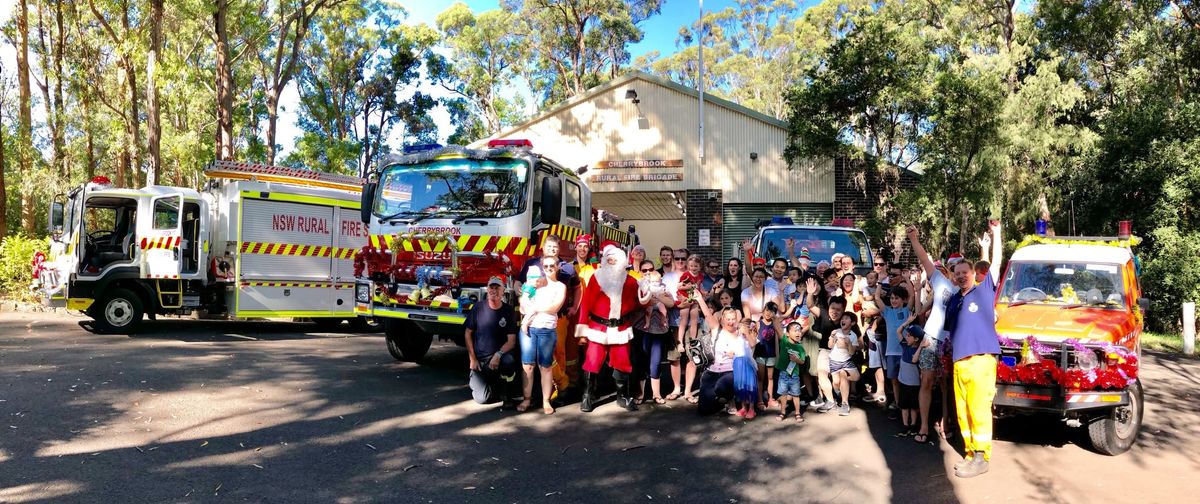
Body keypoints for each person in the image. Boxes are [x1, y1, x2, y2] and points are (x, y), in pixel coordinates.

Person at [944, 220, 1003, 478]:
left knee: (978, 408)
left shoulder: (983, 292)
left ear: (974, 274)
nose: (961, 275)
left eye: (965, 272)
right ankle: (970, 453)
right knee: (963, 410)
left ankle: (981, 456)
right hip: (960, 363)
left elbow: (996, 263)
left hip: (981, 360)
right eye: (957, 273)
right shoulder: (954, 300)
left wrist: (996, 234)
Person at [906, 225, 961, 444]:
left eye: (961, 268)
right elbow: (925, 259)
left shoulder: (969, 292)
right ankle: (924, 425)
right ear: (949, 270)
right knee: (927, 381)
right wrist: (913, 239)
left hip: (952, 343)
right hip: (930, 339)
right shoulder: (941, 283)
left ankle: (946, 421)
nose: (957, 272)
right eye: (953, 268)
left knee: (948, 385)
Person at [576, 242, 646, 412]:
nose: (612, 262)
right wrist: (582, 331)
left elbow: (639, 302)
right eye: (609, 259)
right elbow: (585, 303)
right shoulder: (596, 277)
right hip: (597, 328)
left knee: (622, 362)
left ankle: (622, 396)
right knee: (592, 361)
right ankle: (587, 396)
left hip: (620, 328)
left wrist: (647, 296)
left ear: (622, 261)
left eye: (615, 260)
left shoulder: (630, 281)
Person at [519, 256, 567, 414]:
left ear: (558, 266)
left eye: (552, 265)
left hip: (547, 330)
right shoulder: (533, 282)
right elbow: (522, 308)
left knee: (545, 367)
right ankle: (527, 399)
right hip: (529, 330)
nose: (548, 268)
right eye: (545, 266)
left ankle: (546, 402)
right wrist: (531, 308)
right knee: (527, 365)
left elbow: (554, 307)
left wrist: (534, 309)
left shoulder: (560, 286)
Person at [464, 276, 521, 407]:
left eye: (497, 288)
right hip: (481, 359)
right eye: (491, 287)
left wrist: (498, 354)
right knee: (482, 399)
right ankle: (491, 386)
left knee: (509, 361)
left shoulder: (508, 311)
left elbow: (511, 341)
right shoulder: (478, 308)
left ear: (503, 291)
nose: (493, 290)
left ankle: (507, 395)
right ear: (487, 289)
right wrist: (472, 359)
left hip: (500, 357)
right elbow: (468, 333)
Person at [695, 300, 744, 415]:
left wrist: (737, 354)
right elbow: (707, 314)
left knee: (722, 385)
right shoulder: (717, 329)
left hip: (730, 371)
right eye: (728, 319)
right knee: (703, 411)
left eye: (733, 319)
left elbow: (748, 352)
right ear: (722, 319)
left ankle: (730, 399)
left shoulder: (740, 333)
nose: (731, 322)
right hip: (712, 370)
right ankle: (717, 399)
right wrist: (699, 298)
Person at [635, 261, 673, 404]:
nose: (648, 272)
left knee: (656, 361)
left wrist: (658, 297)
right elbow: (638, 302)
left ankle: (656, 394)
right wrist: (647, 298)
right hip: (642, 328)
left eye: (651, 269)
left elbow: (671, 303)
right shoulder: (640, 286)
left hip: (659, 329)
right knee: (642, 359)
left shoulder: (663, 287)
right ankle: (640, 393)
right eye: (644, 270)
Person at [810, 294, 846, 413]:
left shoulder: (846, 320)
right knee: (821, 372)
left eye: (838, 310)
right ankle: (830, 400)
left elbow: (859, 340)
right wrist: (810, 293)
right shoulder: (824, 314)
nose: (834, 312)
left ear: (843, 311)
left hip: (841, 353)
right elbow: (810, 305)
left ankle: (840, 396)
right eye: (832, 308)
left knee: (838, 380)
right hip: (825, 350)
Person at [881, 284, 913, 413]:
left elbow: (911, 296)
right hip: (891, 351)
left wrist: (907, 280)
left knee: (906, 380)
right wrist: (880, 282)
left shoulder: (907, 311)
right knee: (894, 380)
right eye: (892, 298)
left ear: (903, 300)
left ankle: (906, 402)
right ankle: (897, 402)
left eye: (897, 298)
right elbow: (877, 298)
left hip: (905, 351)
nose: (893, 300)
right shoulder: (887, 311)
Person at [828, 311, 861, 416]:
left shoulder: (853, 335)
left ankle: (844, 402)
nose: (843, 320)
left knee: (855, 377)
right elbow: (829, 346)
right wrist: (832, 337)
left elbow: (851, 352)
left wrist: (849, 343)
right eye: (843, 318)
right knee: (836, 382)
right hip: (834, 360)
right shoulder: (836, 332)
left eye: (846, 318)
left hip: (846, 361)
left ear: (852, 323)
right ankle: (840, 397)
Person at [776, 318, 808, 422]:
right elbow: (778, 329)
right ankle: (782, 412)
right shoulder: (784, 342)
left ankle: (798, 413)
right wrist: (773, 317)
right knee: (783, 394)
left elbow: (802, 361)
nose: (798, 333)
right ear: (788, 334)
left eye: (799, 330)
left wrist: (796, 359)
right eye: (795, 330)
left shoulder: (800, 348)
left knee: (796, 394)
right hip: (783, 374)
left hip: (794, 376)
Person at [754, 302, 782, 410]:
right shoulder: (758, 323)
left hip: (772, 355)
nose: (768, 313)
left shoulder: (775, 323)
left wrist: (775, 321)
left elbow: (781, 337)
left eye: (771, 311)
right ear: (763, 311)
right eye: (766, 310)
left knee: (770, 378)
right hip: (760, 355)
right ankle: (760, 399)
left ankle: (771, 398)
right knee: (760, 378)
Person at [896, 325, 923, 436]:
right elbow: (898, 331)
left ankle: (913, 425)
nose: (906, 337)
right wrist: (908, 322)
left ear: (916, 339)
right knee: (904, 406)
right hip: (903, 382)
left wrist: (921, 347)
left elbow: (914, 360)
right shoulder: (905, 345)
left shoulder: (918, 350)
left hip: (914, 384)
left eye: (909, 335)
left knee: (913, 406)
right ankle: (905, 425)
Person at [732, 318, 759, 419]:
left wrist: (747, 334)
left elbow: (752, 344)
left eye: (743, 326)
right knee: (741, 385)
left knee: (750, 386)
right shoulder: (738, 337)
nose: (740, 328)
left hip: (748, 364)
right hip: (738, 363)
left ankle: (752, 408)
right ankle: (744, 407)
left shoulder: (752, 337)